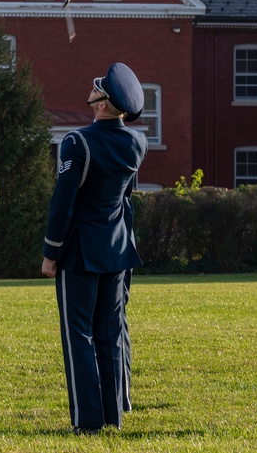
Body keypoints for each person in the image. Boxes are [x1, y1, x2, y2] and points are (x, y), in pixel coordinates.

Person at [40, 62, 148, 435]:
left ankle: (87, 420)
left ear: (102, 103)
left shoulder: (78, 142)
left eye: (96, 87)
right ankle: (112, 416)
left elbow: (63, 203)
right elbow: (126, 197)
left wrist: (50, 251)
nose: (91, 88)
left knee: (79, 336)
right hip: (118, 248)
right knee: (109, 334)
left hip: (81, 251)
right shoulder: (137, 141)